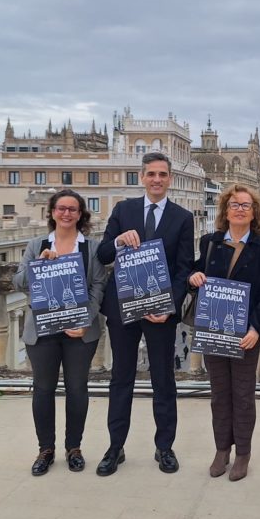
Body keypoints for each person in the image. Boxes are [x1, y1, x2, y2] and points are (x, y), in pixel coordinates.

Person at [96, 152, 194, 476]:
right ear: (142, 177)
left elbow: (183, 270)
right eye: (151, 174)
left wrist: (168, 306)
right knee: (120, 378)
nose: (156, 179)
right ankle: (115, 447)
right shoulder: (124, 210)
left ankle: (164, 447)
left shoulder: (182, 217)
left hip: (160, 314)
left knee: (163, 379)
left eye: (162, 174)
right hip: (123, 308)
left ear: (169, 179)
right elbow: (103, 252)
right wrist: (119, 240)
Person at [13, 189, 108, 476]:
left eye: (73, 209)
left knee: (77, 389)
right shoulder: (36, 244)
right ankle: (45, 449)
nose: (67, 213)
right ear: (52, 212)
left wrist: (84, 319)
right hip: (42, 330)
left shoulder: (91, 248)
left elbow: (98, 286)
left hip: (80, 331)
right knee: (43, 389)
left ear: (81, 215)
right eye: (61, 208)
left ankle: (74, 448)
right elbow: (17, 282)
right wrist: (37, 265)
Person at [187, 184, 260, 481]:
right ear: (225, 210)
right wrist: (194, 276)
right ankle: (221, 449)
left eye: (246, 205)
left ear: (255, 213)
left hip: (245, 335)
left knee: (243, 395)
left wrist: (256, 328)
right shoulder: (209, 242)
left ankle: (243, 454)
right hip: (214, 331)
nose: (240, 209)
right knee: (219, 395)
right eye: (234, 204)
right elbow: (196, 274)